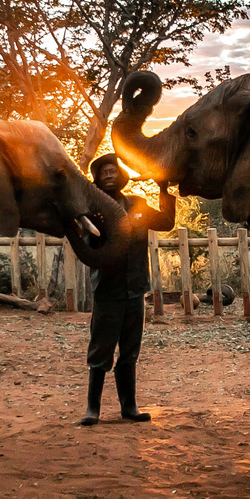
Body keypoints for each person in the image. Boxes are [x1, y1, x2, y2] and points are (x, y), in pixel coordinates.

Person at [80, 153, 175, 425]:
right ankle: (92, 409)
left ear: (120, 175)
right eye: (103, 173)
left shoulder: (138, 204)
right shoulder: (93, 210)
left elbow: (166, 223)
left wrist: (163, 189)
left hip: (135, 290)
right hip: (107, 292)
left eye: (112, 171)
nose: (109, 175)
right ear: (97, 180)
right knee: (100, 352)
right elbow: (89, 246)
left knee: (130, 352)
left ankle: (129, 408)